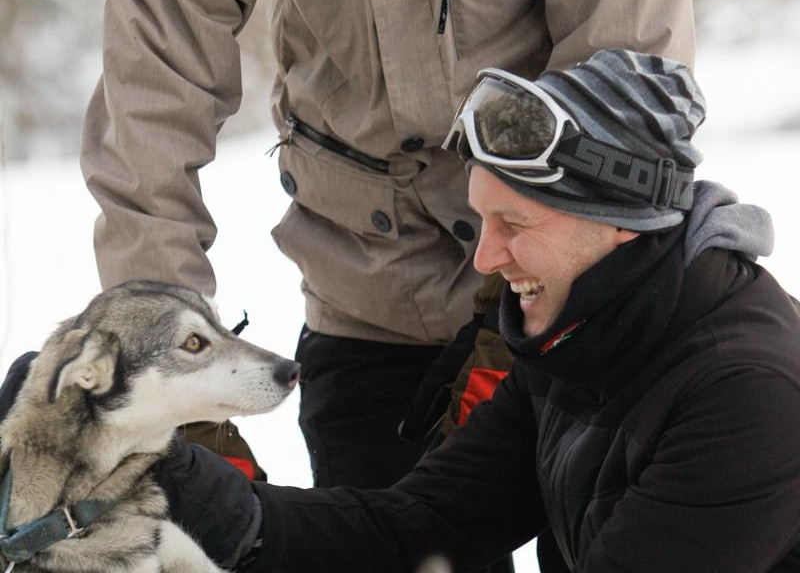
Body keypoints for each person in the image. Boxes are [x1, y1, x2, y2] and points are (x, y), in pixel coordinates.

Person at [79, 0, 695, 530]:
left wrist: (524, 309)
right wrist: (174, 399)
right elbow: (149, 112)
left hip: (572, 290)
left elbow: (628, 74)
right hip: (368, 292)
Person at [146, 48, 798, 572]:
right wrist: (203, 496)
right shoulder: (580, 334)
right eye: (482, 219)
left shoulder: (748, 396)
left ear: (620, 224)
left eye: (514, 223)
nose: (485, 258)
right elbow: (424, 525)